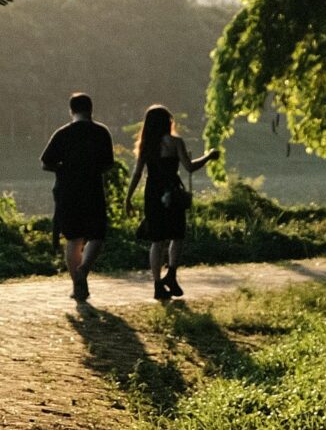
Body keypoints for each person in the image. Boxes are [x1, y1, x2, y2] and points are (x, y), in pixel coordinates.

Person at [126, 104, 219, 301]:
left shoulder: (146, 145)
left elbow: (137, 173)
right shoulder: (176, 142)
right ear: (167, 122)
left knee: (156, 240)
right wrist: (209, 156)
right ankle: (172, 275)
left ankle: (157, 284)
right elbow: (190, 167)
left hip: (153, 194)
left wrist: (128, 198)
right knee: (177, 235)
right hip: (172, 193)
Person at [39, 92, 115, 303]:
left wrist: (63, 169)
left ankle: (77, 287)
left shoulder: (62, 133)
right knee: (96, 234)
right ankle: (84, 269)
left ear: (71, 110)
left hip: (67, 191)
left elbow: (45, 163)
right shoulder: (101, 132)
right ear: (91, 109)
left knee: (73, 238)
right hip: (92, 189)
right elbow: (109, 163)